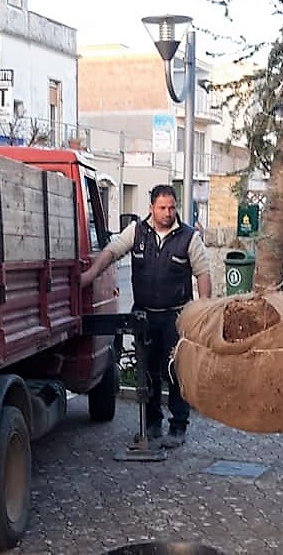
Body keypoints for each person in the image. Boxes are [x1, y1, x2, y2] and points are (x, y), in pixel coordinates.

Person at [80, 184, 212, 448]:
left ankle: (178, 428)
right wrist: (89, 276)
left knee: (177, 372)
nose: (168, 212)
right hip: (144, 316)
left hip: (177, 316)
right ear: (151, 207)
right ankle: (152, 425)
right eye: (162, 207)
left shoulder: (189, 237)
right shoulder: (136, 232)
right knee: (148, 371)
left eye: (172, 207)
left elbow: (203, 274)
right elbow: (111, 251)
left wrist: (202, 311)